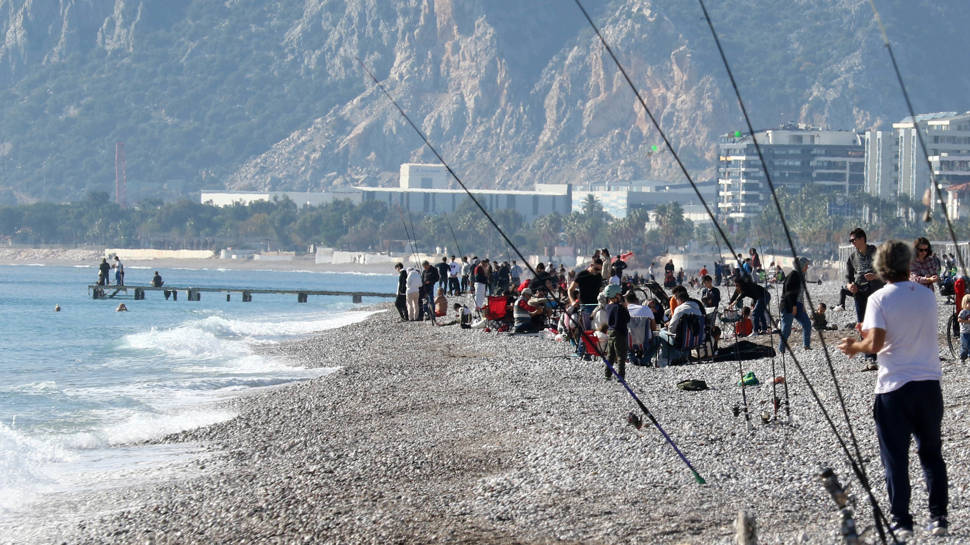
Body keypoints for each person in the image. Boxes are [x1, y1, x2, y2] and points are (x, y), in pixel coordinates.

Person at [838, 240, 949, 538]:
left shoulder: (879, 299)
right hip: (929, 385)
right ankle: (939, 517)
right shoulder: (927, 297)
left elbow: (875, 344)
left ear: (880, 266)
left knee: (896, 458)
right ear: (908, 262)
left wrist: (853, 346)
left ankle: (902, 520)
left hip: (894, 387)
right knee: (931, 454)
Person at [846, 227, 883, 370]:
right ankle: (870, 359)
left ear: (862, 239)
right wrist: (850, 286)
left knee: (878, 324)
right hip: (859, 294)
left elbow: (887, 271)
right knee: (863, 326)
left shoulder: (876, 252)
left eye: (853, 240)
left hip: (876, 293)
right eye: (850, 241)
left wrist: (875, 276)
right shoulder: (852, 257)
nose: (852, 243)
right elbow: (848, 278)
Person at [778, 257, 812, 353]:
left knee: (807, 324)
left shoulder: (801, 275)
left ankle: (806, 346)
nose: (807, 267)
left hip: (798, 305)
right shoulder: (794, 275)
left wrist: (802, 305)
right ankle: (781, 349)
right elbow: (788, 292)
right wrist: (793, 306)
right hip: (789, 305)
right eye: (806, 265)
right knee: (786, 329)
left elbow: (800, 293)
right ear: (801, 266)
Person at [728, 269, 770, 334]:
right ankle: (764, 329)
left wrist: (732, 305)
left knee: (755, 313)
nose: (736, 287)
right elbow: (735, 295)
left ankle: (755, 331)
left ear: (741, 285)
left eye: (737, 285)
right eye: (735, 285)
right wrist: (730, 303)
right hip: (760, 297)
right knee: (760, 313)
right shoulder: (740, 288)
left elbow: (739, 298)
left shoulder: (745, 289)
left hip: (764, 296)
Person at [603, 284, 630, 380]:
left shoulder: (608, 307)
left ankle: (607, 374)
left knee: (610, 354)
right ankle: (620, 376)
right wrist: (625, 307)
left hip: (610, 332)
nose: (621, 296)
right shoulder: (619, 307)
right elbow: (627, 319)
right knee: (621, 355)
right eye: (619, 294)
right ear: (615, 295)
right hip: (620, 333)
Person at [958, 294, 970, 363]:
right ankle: (962, 357)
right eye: (969, 301)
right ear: (965, 303)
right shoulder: (963, 311)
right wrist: (967, 321)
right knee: (964, 346)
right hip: (964, 332)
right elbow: (959, 319)